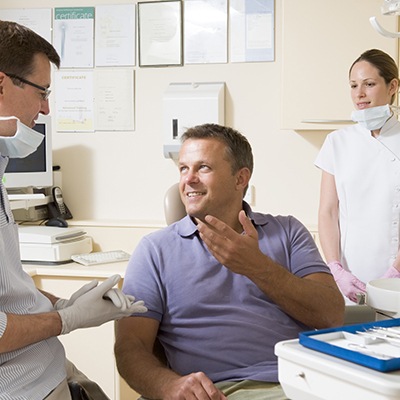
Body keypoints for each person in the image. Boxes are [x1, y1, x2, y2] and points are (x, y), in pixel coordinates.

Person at [115, 123, 344, 400]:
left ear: (240, 178)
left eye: (203, 168)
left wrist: (257, 267)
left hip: (301, 384)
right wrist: (169, 386)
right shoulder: (154, 250)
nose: (189, 179)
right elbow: (130, 347)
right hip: (217, 391)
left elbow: (331, 314)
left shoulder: (288, 231)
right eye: (183, 168)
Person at [0, 20, 147, 400]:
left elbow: (9, 292)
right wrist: (67, 319)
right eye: (41, 91)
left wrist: (64, 303)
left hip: (46, 366)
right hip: (21, 386)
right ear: (1, 84)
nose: (46, 108)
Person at [315, 49, 400, 305]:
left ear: (392, 86)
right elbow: (328, 212)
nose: (359, 94)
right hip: (350, 276)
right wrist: (335, 268)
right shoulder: (337, 142)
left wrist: (396, 270)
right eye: (353, 86)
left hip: (395, 272)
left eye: (369, 84)